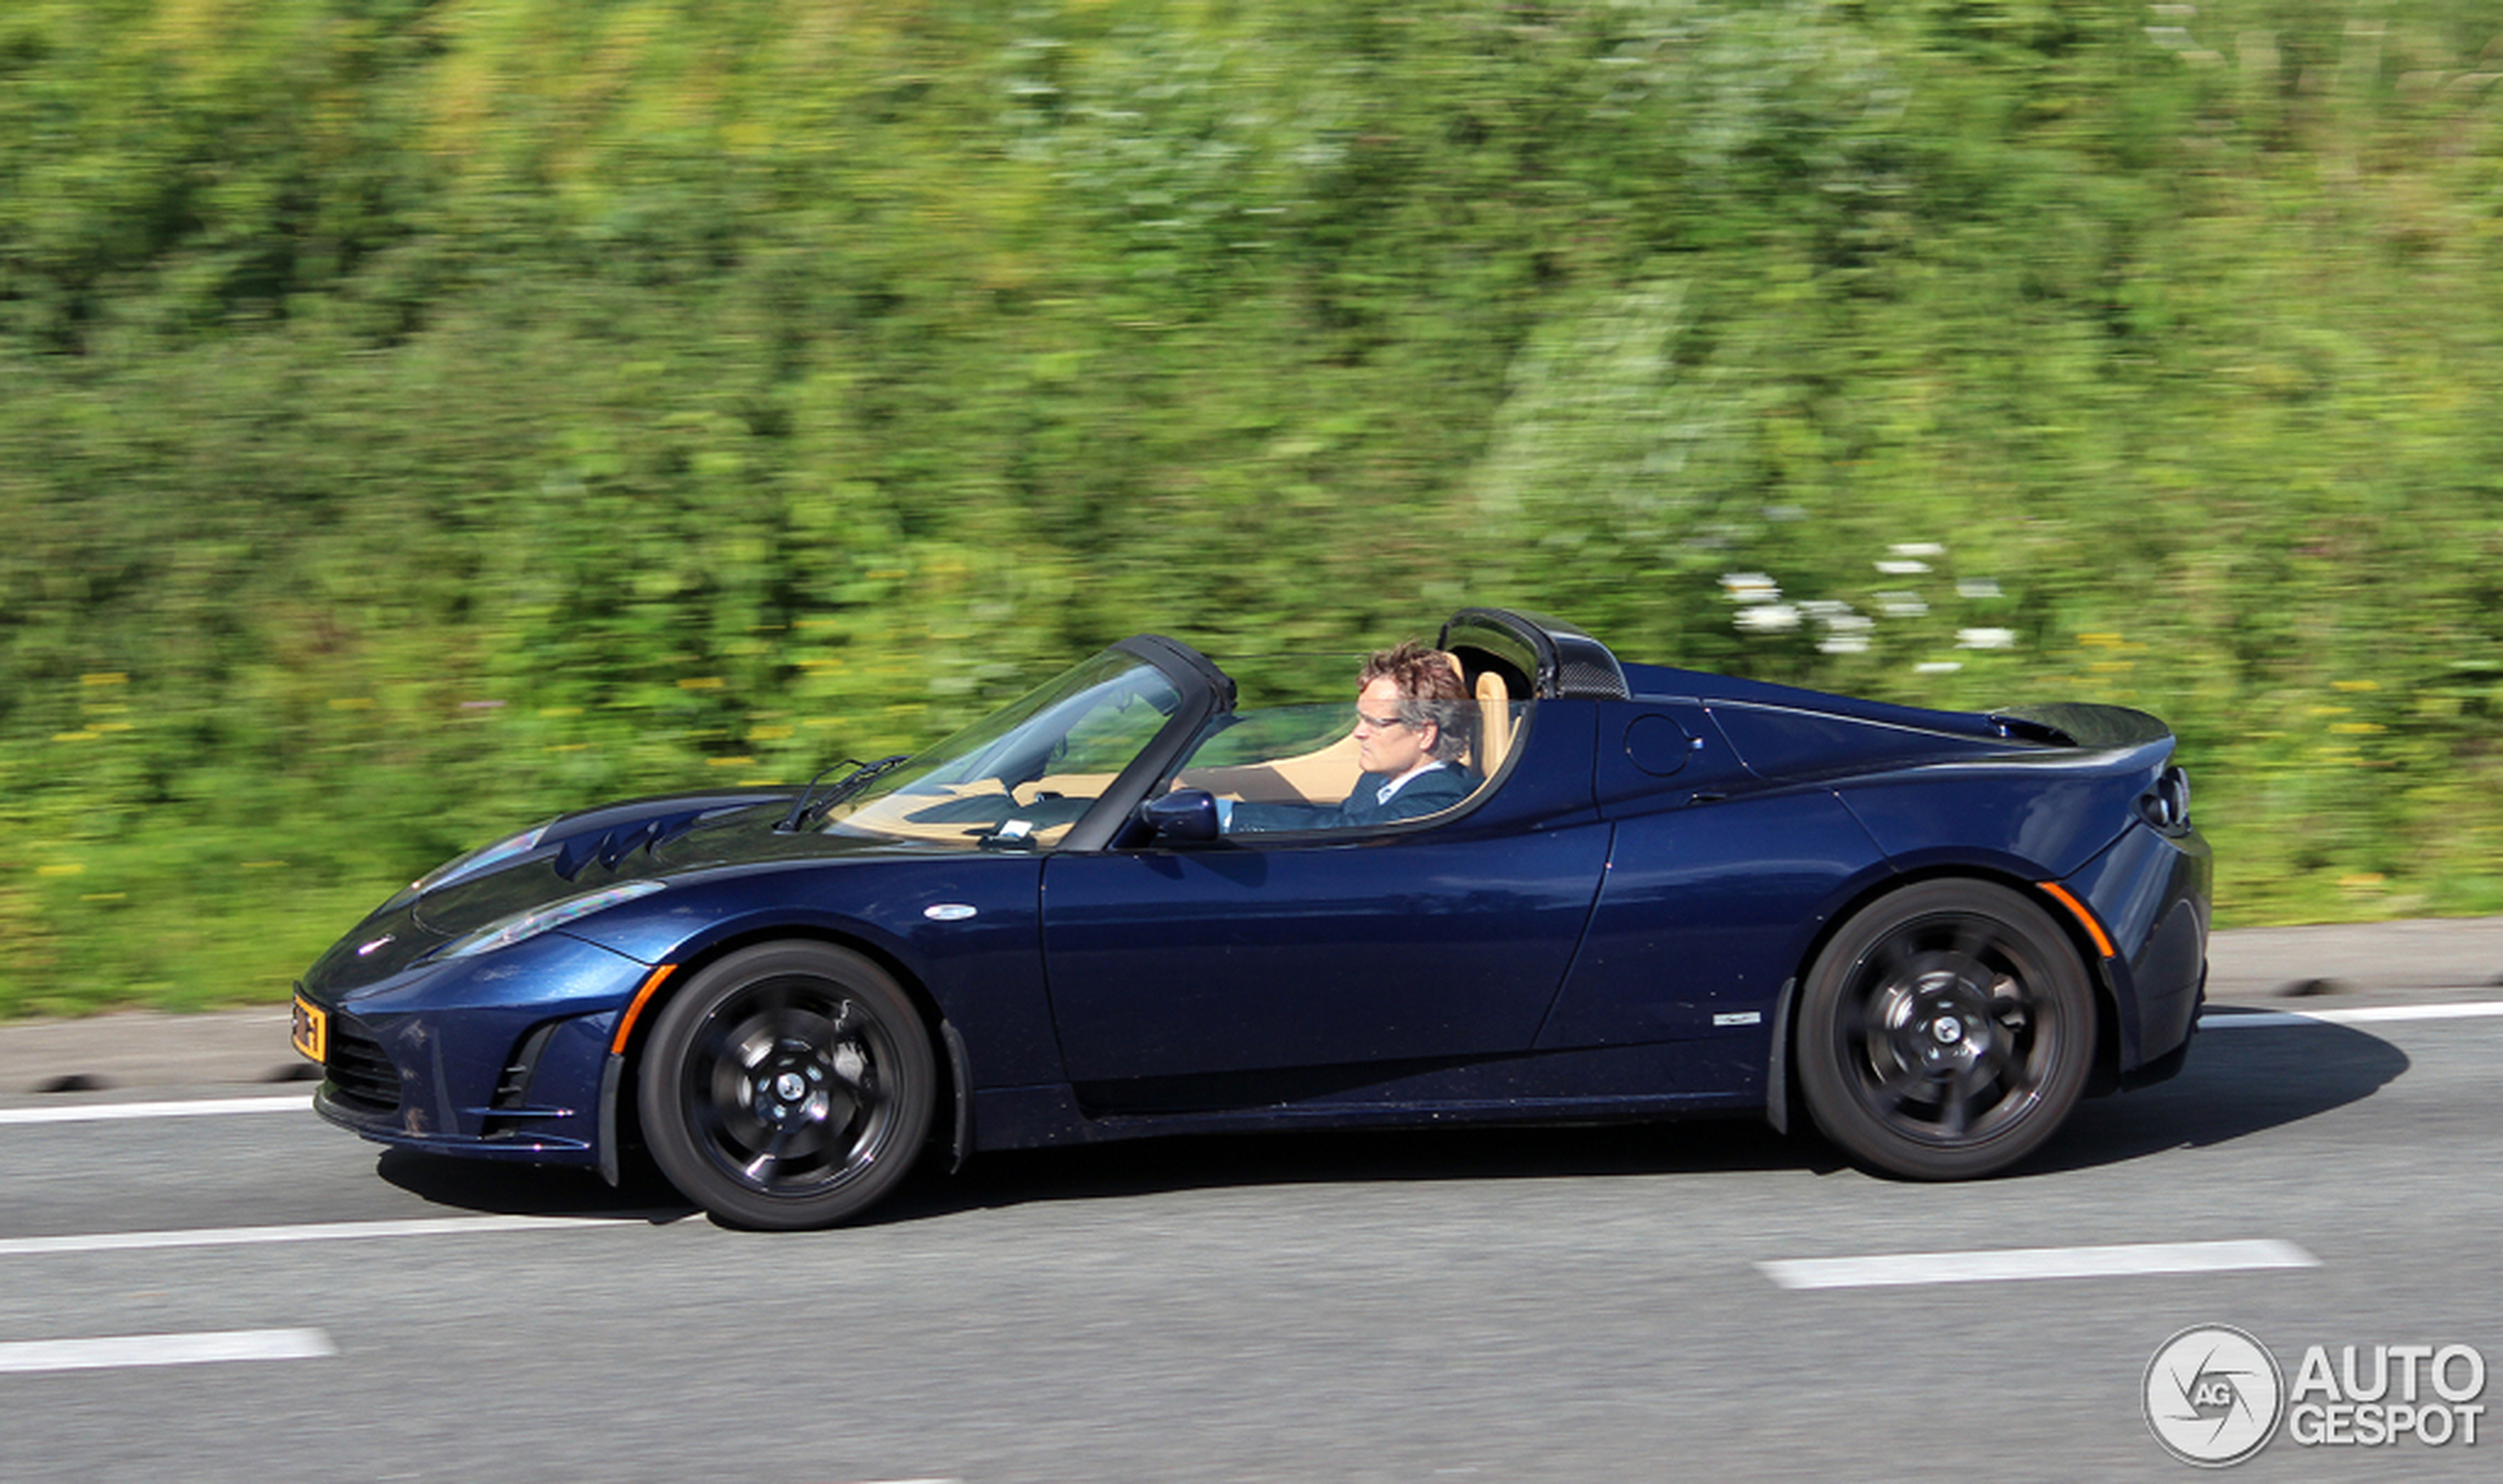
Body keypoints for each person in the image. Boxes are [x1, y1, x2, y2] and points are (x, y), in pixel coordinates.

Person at [1224, 641, 1478, 832]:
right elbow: (1336, 817)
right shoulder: (1376, 781)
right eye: (1360, 718)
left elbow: (1343, 828)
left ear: (1424, 733)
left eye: (1375, 722)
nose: (1358, 732)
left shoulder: (1438, 802)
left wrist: (1228, 817)